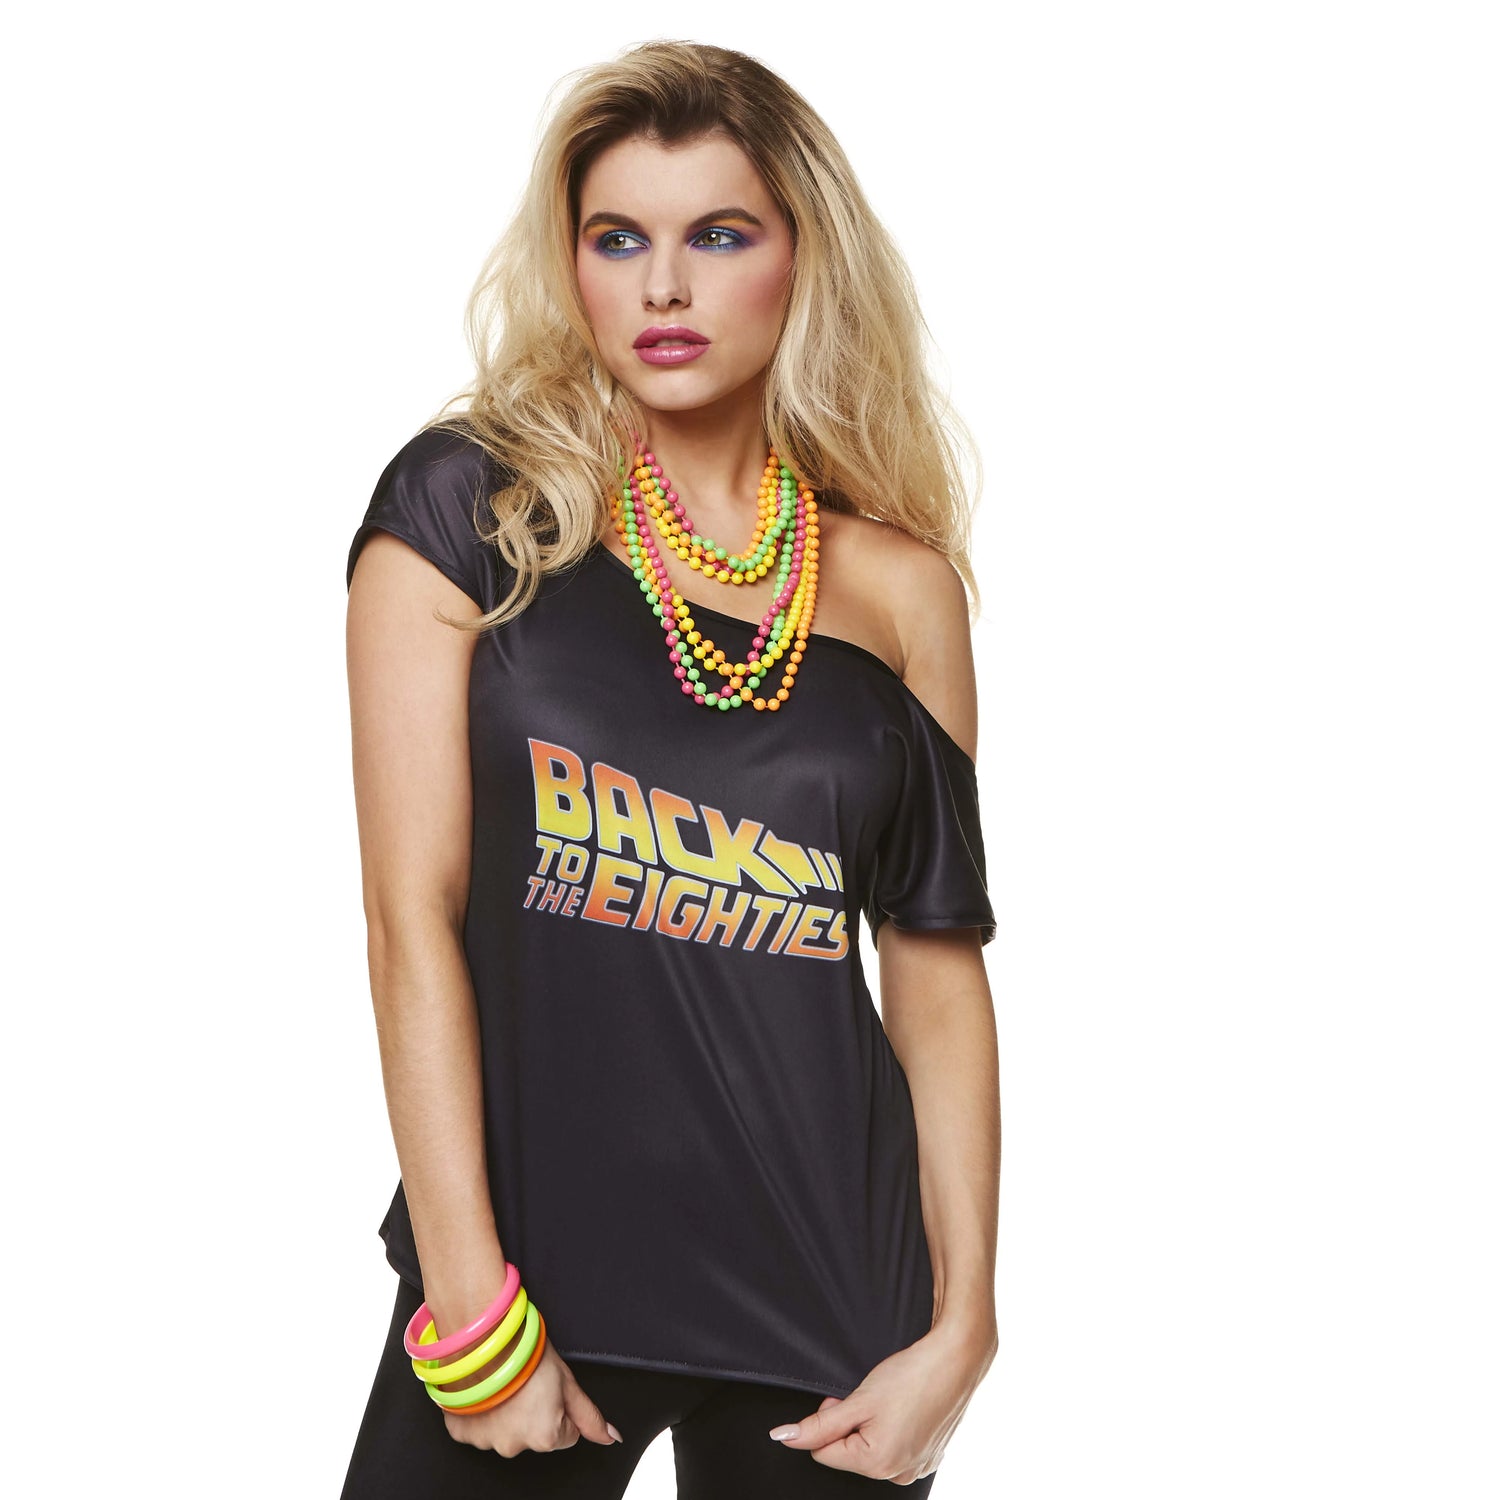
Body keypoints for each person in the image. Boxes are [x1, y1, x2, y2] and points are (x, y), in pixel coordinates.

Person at [340, 39, 1000, 1499]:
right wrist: (468, 1298)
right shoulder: (470, 511)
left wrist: (962, 1328)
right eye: (619, 239)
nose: (664, 289)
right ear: (571, 262)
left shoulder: (902, 589)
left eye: (720, 235)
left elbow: (937, 972)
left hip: (840, 1313)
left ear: (803, 257)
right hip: (532, 1288)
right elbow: (408, 919)